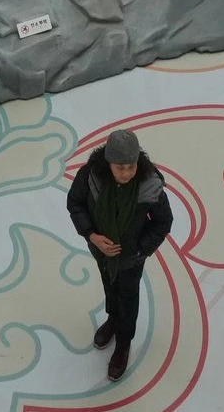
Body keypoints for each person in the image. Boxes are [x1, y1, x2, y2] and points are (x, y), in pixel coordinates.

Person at [65, 127, 173, 382]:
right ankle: (113, 318)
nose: (126, 173)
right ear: (108, 163)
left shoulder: (149, 185)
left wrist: (139, 249)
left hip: (131, 258)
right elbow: (76, 203)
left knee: (128, 294)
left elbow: (163, 222)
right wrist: (92, 235)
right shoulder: (91, 176)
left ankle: (124, 342)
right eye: (120, 167)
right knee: (109, 285)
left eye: (131, 166)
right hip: (101, 251)